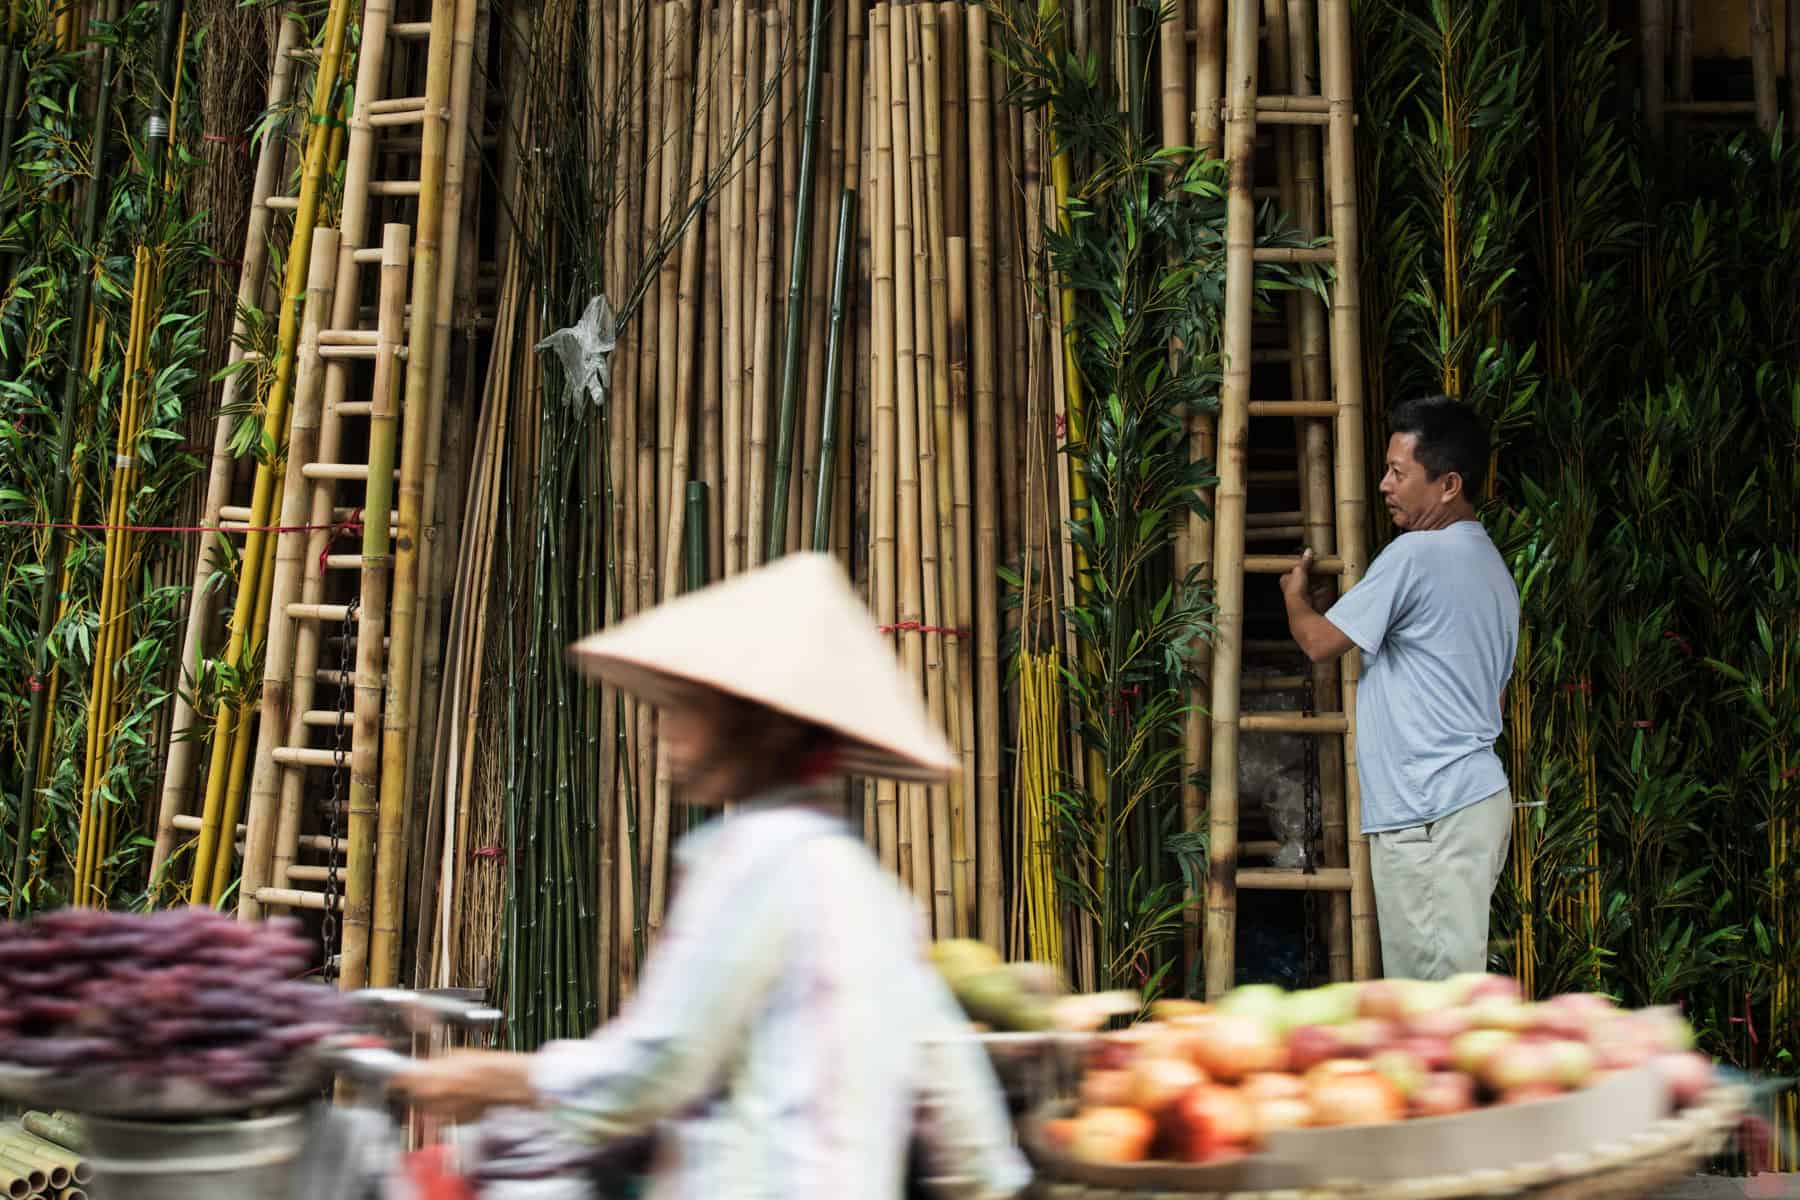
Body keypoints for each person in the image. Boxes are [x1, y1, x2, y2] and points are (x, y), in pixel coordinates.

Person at [393, 552, 1030, 1200]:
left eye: (692, 705)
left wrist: (491, 1077)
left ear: (768, 725)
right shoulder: (866, 885)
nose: (667, 727)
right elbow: (964, 1113)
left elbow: (656, 1066)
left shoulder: (753, 859)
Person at [1279, 396, 1520, 982]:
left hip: (1431, 815)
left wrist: (1292, 597)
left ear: (1448, 484)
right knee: (1442, 998)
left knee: (1431, 1015)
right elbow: (1494, 701)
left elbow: (1318, 642)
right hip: (1465, 803)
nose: (1384, 484)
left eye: (1399, 472)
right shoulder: (1493, 570)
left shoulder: (1415, 555)